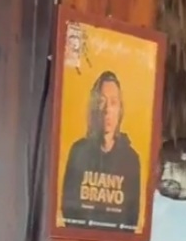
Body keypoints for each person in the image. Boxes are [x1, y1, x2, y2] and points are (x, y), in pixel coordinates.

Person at [60, 70, 141, 231]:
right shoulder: (78, 152)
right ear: (94, 107)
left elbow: (131, 219)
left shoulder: (131, 159)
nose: (107, 110)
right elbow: (69, 209)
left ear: (120, 109)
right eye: (101, 102)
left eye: (113, 102)